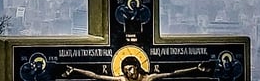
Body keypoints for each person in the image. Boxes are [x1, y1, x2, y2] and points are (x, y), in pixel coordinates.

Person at [63, 56, 209, 81]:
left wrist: (195, 68)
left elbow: (172, 73)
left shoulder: (148, 78)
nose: (128, 72)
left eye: (131, 69)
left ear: (137, 67)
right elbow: (97, 76)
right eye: (126, 70)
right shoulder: (122, 80)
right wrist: (75, 70)